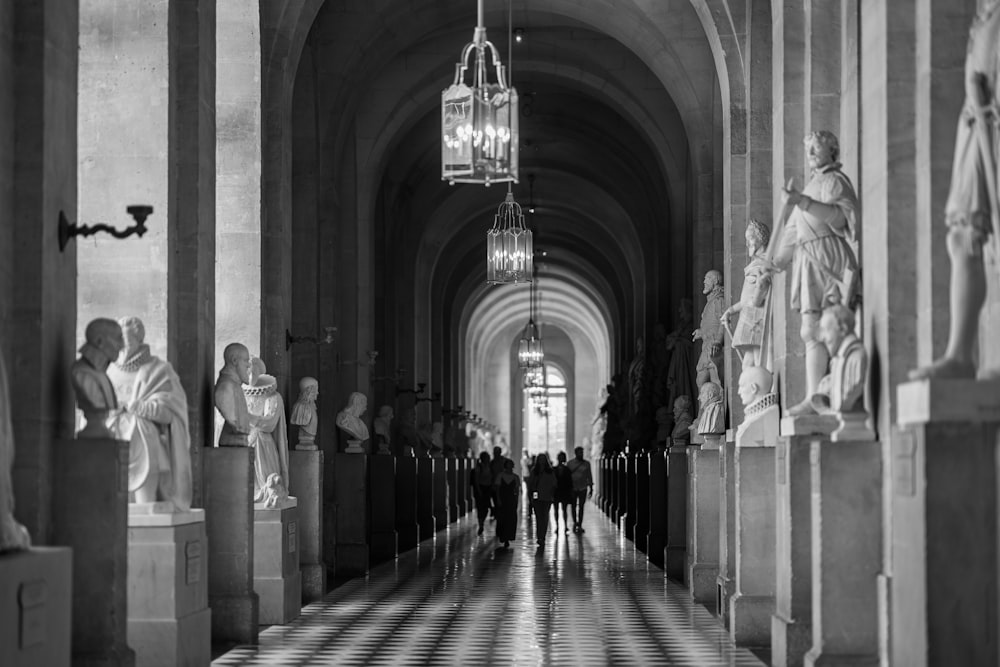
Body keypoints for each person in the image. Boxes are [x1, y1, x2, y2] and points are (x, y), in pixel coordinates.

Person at [911, 3, 1000, 381]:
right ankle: (960, 353)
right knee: (962, 236)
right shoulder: (986, 12)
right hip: (975, 121)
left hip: (990, 117)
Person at [767, 130, 860, 414]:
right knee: (809, 329)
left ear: (832, 151)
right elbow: (792, 234)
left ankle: (836, 384)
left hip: (829, 255)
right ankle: (813, 394)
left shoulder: (834, 181)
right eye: (808, 149)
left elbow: (840, 218)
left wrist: (801, 202)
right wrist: (775, 263)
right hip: (806, 260)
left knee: (834, 322)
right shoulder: (806, 189)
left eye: (816, 148)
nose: (811, 154)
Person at [106, 316, 193, 511]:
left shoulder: (159, 370)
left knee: (145, 507)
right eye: (118, 341)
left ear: (139, 340)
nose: (122, 347)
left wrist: (138, 407)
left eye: (126, 341)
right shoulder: (108, 372)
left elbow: (172, 414)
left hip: (146, 444)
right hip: (111, 444)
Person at [722, 219, 773, 371]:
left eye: (750, 238)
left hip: (757, 319)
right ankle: (753, 393)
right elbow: (745, 300)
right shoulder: (755, 265)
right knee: (747, 365)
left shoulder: (765, 264)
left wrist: (755, 299)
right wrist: (730, 310)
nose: (747, 243)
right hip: (750, 316)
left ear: (760, 238)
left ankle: (761, 392)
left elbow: (759, 293)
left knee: (758, 363)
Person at [244, 357, 290, 505]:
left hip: (263, 445)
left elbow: (269, 423)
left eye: (253, 373)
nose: (250, 377)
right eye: (248, 372)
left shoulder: (273, 396)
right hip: (243, 443)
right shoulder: (240, 394)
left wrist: (246, 417)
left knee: (267, 482)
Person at [72, 317, 125, 438]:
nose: (122, 346)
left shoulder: (101, 375)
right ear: (100, 342)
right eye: (118, 339)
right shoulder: (82, 373)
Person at [215, 342, 252, 446]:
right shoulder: (226, 387)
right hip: (231, 445)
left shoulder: (235, 387)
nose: (248, 365)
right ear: (234, 361)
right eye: (245, 360)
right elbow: (231, 416)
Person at [528, 453, 557, 548]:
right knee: (538, 517)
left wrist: (552, 494)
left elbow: (554, 484)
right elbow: (530, 484)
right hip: (537, 497)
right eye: (540, 459)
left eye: (543, 459)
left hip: (547, 497)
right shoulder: (534, 471)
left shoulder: (550, 471)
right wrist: (530, 496)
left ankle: (542, 536)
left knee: (544, 517)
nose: (541, 461)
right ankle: (539, 536)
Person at [566, 446, 593, 533]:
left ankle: (580, 524)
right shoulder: (570, 464)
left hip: (583, 487)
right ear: (576, 453)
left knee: (581, 506)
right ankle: (575, 522)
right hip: (573, 488)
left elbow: (589, 476)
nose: (581, 454)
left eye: (582, 452)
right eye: (579, 452)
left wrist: (591, 487)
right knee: (573, 506)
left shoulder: (587, 464)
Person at [494, 458, 520, 549]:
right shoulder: (500, 476)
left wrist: (517, 500)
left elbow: (517, 490)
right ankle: (503, 536)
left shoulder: (516, 477)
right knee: (502, 518)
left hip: (511, 499)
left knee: (511, 519)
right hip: (503, 498)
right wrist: (498, 499)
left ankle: (508, 537)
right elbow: (497, 489)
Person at [289, 377, 319, 450]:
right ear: (310, 390)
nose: (317, 393)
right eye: (316, 390)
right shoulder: (301, 406)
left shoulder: (312, 406)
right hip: (305, 436)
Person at [471, 451, 494, 535]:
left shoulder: (490, 467)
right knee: (480, 508)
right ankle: (481, 524)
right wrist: (479, 490)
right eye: (487, 457)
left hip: (487, 488)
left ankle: (482, 522)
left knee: (486, 508)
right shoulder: (479, 468)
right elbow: (476, 480)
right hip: (481, 488)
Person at [554, 451, 574, 533]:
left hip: (564, 491)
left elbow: (570, 482)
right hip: (557, 491)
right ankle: (557, 526)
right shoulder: (554, 469)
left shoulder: (567, 470)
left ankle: (564, 525)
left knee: (564, 510)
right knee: (557, 510)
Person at [488, 445, 507, 519]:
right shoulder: (492, 463)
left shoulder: (504, 461)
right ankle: (497, 512)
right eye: (495, 452)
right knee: (495, 499)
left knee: (502, 498)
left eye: (497, 452)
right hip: (495, 484)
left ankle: (500, 512)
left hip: (503, 483)